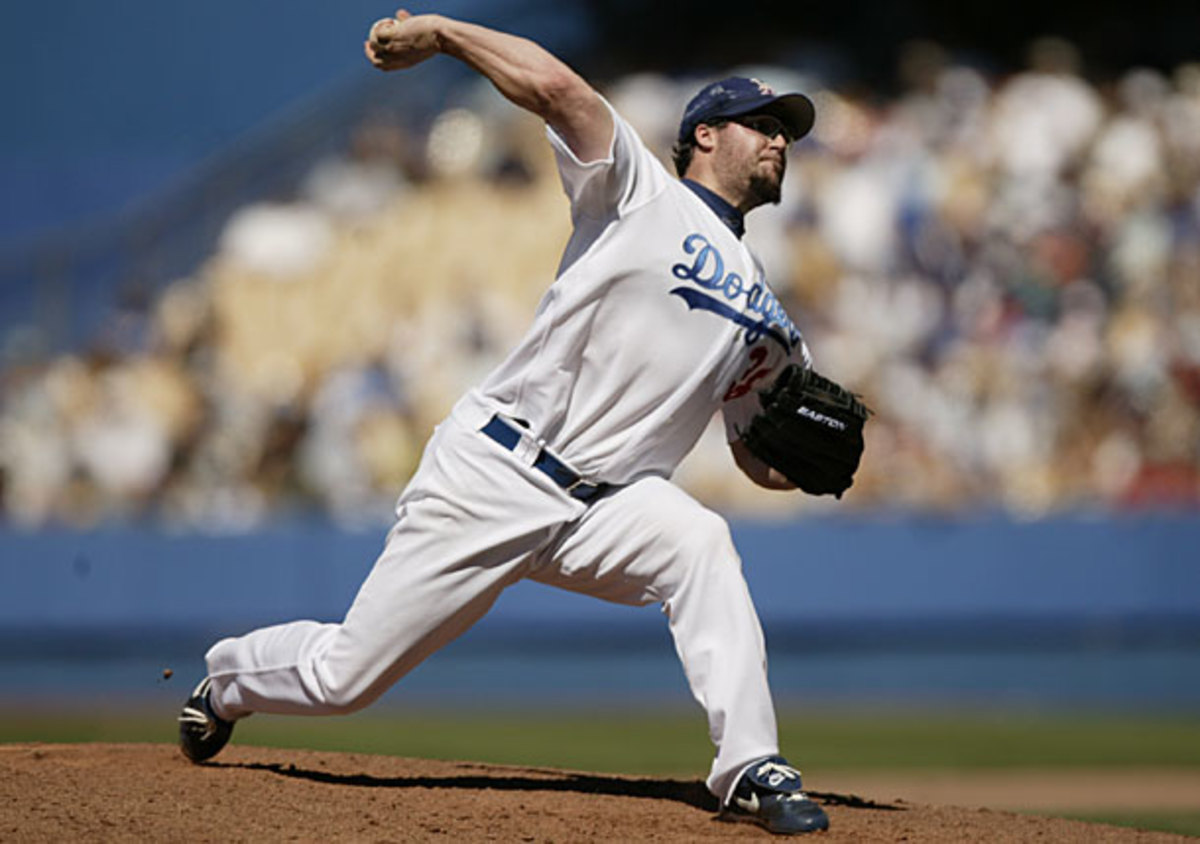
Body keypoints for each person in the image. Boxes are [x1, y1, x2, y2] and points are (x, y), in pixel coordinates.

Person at [179, 9, 830, 835]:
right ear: (705, 135)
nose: (780, 141)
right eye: (763, 124)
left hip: (608, 507)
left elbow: (755, 459)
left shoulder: (767, 311)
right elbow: (558, 90)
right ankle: (228, 681)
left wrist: (801, 464)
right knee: (346, 680)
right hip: (496, 470)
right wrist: (443, 34)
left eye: (788, 132)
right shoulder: (638, 192)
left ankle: (750, 767)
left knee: (700, 541)